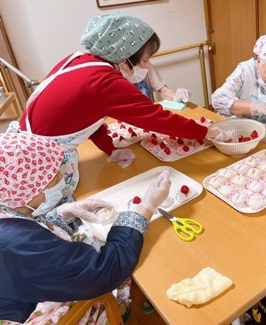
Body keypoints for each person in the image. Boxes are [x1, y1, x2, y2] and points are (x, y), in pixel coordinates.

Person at [8, 12, 234, 197]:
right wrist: (206, 132)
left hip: (27, 147)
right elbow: (158, 119)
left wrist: (109, 148)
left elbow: (85, 115)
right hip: (41, 160)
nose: (147, 65)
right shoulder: (106, 81)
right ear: (124, 55)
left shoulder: (79, 60)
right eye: (145, 60)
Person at [0, 133, 172, 324]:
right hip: (28, 312)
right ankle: (118, 310)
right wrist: (145, 209)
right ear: (27, 189)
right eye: (53, 177)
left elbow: (32, 241)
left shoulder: (8, 205)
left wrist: (60, 214)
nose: (60, 178)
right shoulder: (19, 244)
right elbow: (103, 272)